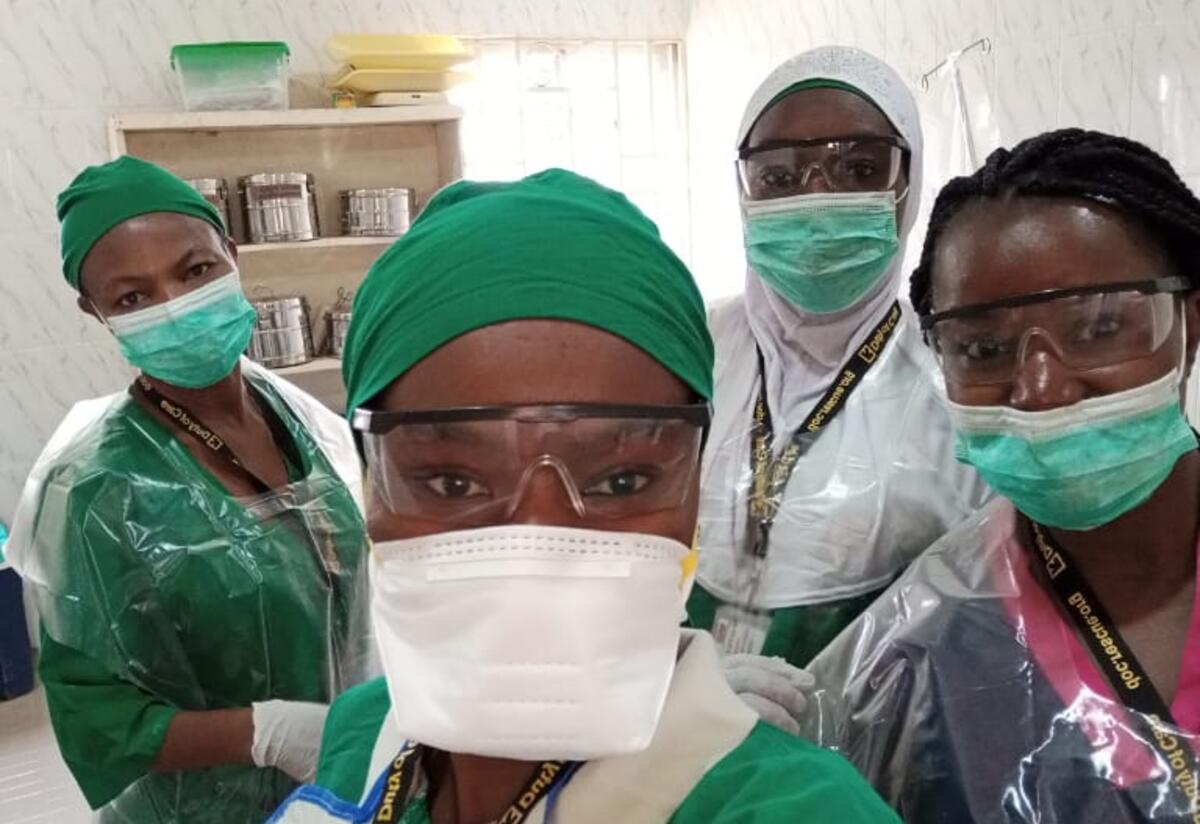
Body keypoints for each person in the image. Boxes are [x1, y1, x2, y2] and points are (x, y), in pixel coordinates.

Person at [268, 168, 900, 823]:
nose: (537, 548)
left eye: (619, 481)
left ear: (693, 490)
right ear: (369, 489)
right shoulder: (365, 732)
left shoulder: (798, 810)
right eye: (454, 482)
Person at [803, 128, 1200, 823]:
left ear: (1189, 324)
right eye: (982, 347)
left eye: (1099, 327)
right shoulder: (915, 651)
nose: (1041, 386)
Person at [5, 156, 372, 822]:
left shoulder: (299, 418)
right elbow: (96, 719)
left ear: (232, 255)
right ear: (96, 313)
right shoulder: (96, 487)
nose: (175, 306)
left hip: (337, 788)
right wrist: (268, 733)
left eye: (196, 271)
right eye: (133, 297)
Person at [690, 45, 989, 667]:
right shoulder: (689, 348)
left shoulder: (957, 390)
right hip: (672, 725)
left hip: (875, 740)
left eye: (858, 170)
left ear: (908, 182)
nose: (816, 198)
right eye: (779, 176)